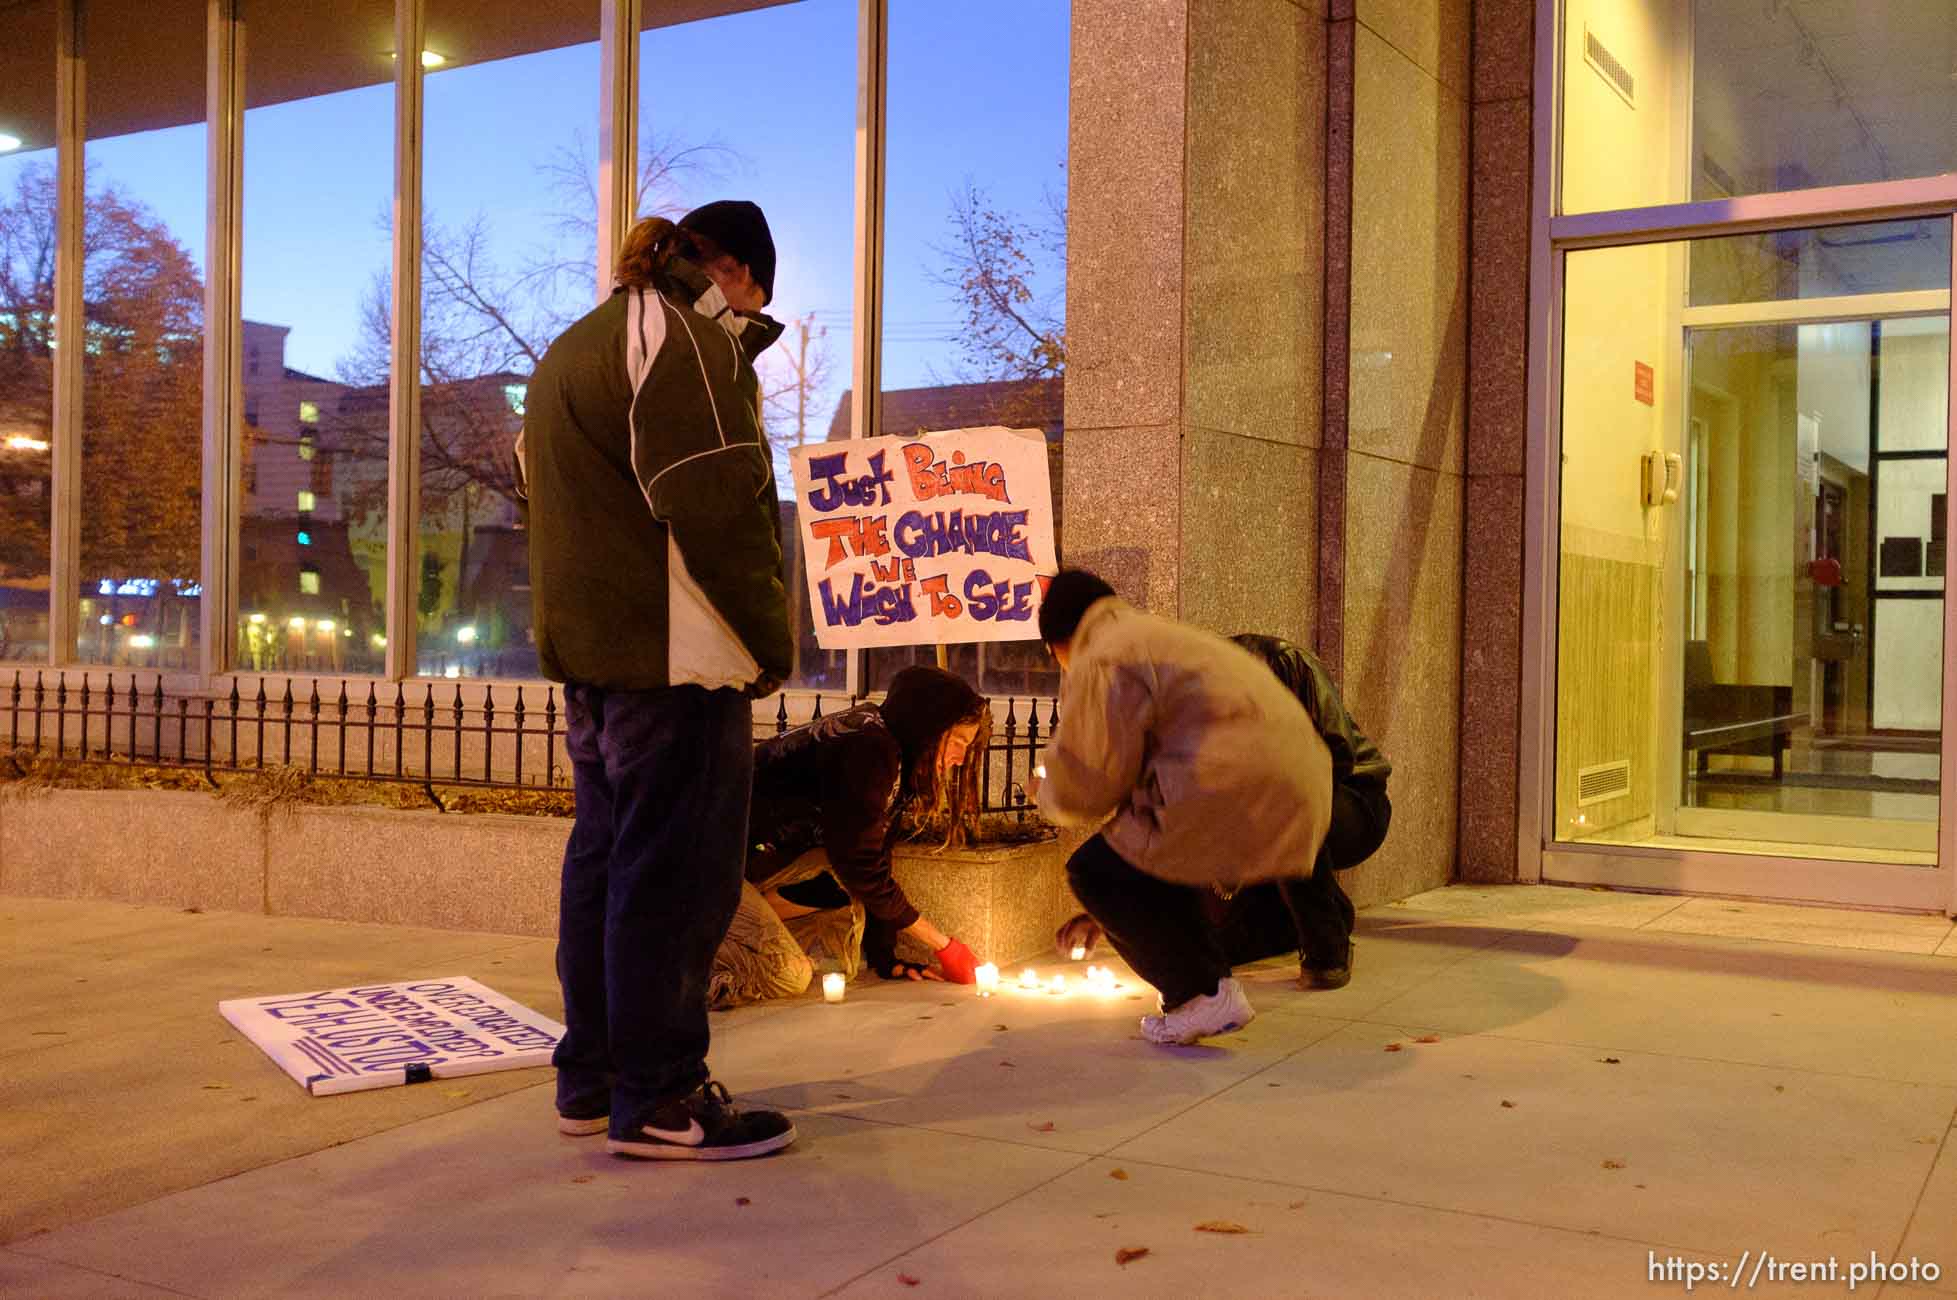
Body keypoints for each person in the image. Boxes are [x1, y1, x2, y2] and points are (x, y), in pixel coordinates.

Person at [516, 200, 798, 1161]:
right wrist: (769, 644)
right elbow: (718, 509)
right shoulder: (681, 336)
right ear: (737, 274)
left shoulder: (578, 345)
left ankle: (593, 1078)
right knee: (674, 881)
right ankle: (662, 1096)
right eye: (756, 292)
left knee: (606, 867)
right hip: (678, 659)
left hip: (599, 662)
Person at [1030, 569, 1337, 1046]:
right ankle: (1211, 989)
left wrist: (1044, 789)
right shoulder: (1154, 635)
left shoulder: (1104, 656)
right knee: (1147, 855)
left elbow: (1088, 784)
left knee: (1093, 870)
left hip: (1228, 786)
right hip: (1300, 787)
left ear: (1058, 643)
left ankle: (1199, 994)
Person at [1055, 633, 1392, 992]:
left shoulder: (1289, 665)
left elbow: (1336, 756)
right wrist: (1106, 909)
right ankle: (1319, 919)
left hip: (1353, 801)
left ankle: (1328, 950)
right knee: (1219, 947)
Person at [710, 666, 990, 1005]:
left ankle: (732, 927)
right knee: (786, 972)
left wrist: (886, 957)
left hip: (753, 860)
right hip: (707, 862)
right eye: (957, 740)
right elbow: (860, 864)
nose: (960, 759)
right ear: (928, 725)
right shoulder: (869, 747)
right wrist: (944, 946)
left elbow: (875, 853)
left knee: (837, 958)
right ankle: (678, 966)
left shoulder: (893, 747)